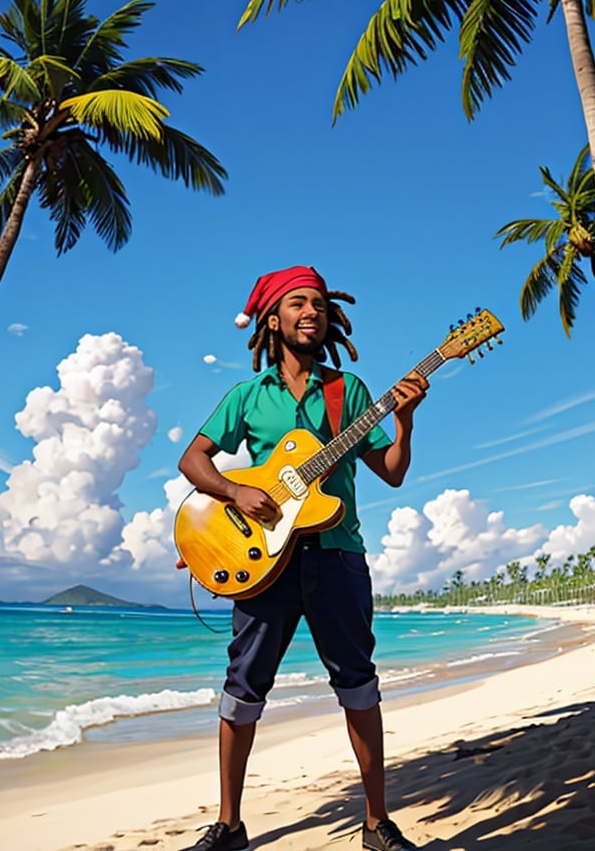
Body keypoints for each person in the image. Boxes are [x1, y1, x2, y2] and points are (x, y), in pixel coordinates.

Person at [177, 266, 428, 851]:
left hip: (339, 557)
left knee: (359, 685)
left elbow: (391, 474)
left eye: (318, 302)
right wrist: (237, 492)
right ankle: (230, 825)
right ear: (274, 318)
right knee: (242, 689)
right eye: (298, 303)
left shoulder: (351, 392)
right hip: (266, 563)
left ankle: (376, 824)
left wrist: (405, 422)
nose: (311, 311)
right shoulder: (248, 396)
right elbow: (194, 461)